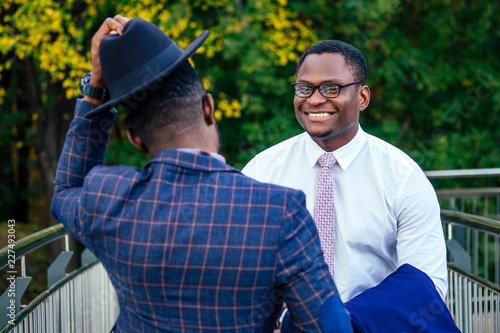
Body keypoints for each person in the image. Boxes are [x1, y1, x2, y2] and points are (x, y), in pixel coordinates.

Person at [51, 16, 353, 332]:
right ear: (208, 108)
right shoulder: (279, 212)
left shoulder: (109, 197)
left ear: (135, 140)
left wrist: (94, 91)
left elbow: (65, 191)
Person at [242, 40, 448, 303]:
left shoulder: (403, 177)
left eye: (331, 88)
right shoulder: (261, 171)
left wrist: (347, 323)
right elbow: (237, 267)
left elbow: (427, 283)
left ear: (362, 97)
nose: (315, 99)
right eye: (305, 88)